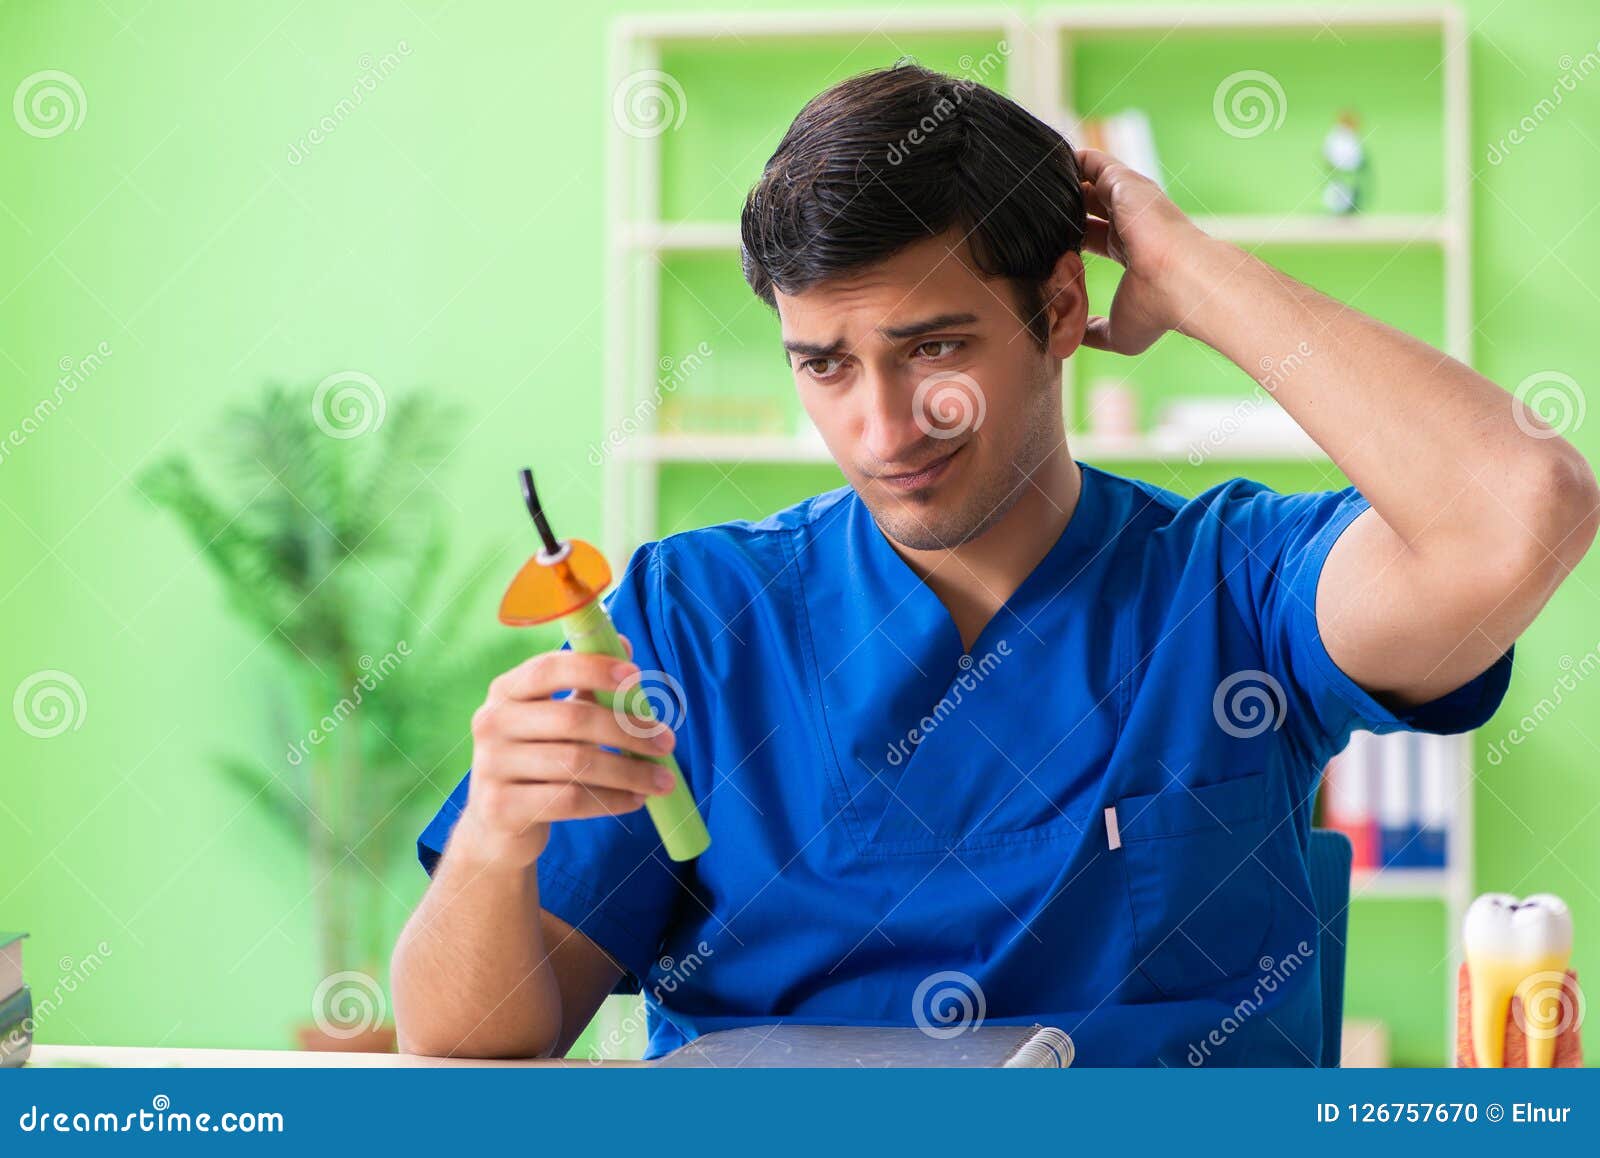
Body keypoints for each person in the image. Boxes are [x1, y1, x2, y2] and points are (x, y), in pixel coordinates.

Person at [391, 64, 1597, 1066]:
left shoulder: (1239, 588)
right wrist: (496, 838)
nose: (881, 428)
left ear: (1063, 309)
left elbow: (1521, 508)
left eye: (935, 348)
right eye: (823, 365)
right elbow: (465, 1044)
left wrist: (1189, 269)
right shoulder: (691, 618)